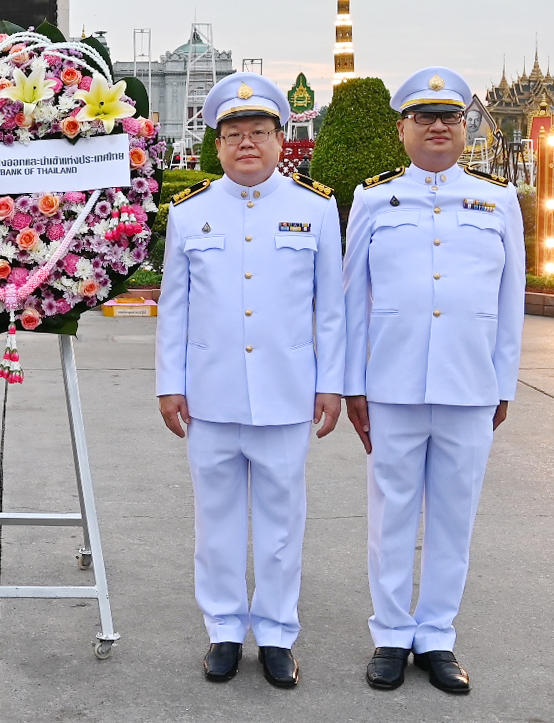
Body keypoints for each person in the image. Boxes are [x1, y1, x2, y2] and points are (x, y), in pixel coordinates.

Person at [156, 72, 344, 689]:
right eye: (234, 134)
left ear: (279, 139)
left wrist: (331, 383)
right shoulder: (190, 214)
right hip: (209, 394)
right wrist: (169, 383)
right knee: (217, 522)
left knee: (282, 522)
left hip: (287, 392)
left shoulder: (314, 210)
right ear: (217, 144)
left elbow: (330, 310)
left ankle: (278, 635)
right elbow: (175, 307)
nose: (246, 144)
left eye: (259, 132)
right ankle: (224, 632)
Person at [342, 67, 523, 696]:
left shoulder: (498, 199)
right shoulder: (373, 199)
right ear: (403, 129)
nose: (438, 127)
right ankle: (391, 634)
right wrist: (351, 384)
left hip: (469, 384)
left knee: (454, 516)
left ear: (466, 126)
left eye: (449, 116)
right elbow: (352, 300)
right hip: (391, 383)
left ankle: (438, 636)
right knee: (392, 514)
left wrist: (505, 383)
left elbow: (510, 299)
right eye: (424, 118)